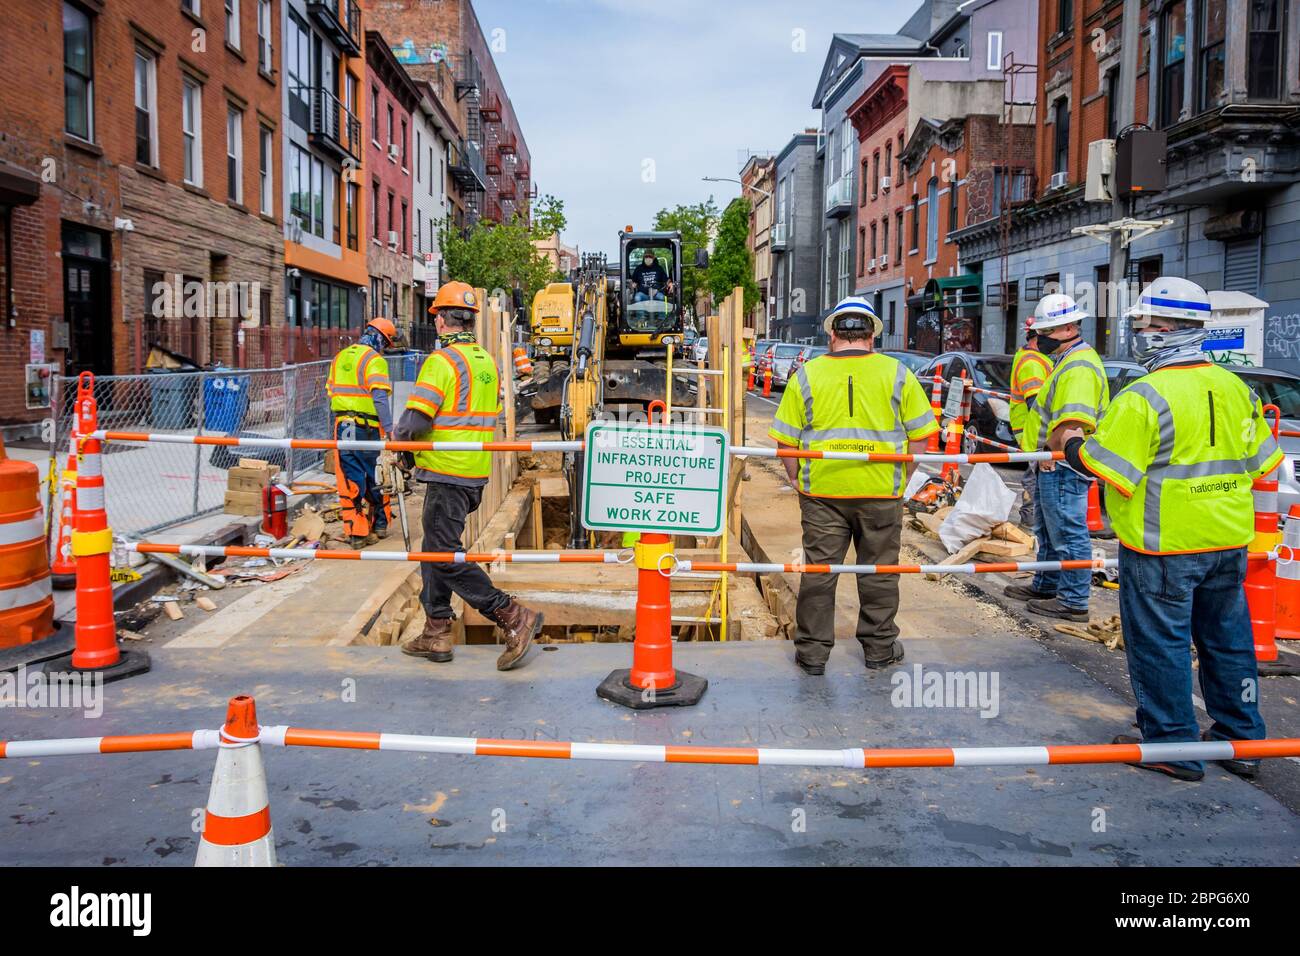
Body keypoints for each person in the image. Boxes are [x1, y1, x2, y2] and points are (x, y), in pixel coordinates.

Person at [1058, 277, 1282, 782]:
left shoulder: (1144, 395)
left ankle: (1172, 743)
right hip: (1226, 542)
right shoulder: (1235, 388)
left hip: (1162, 546)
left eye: (1142, 325)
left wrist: (1073, 443)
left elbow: (1105, 466)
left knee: (1161, 643)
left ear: (1161, 330)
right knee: (1228, 642)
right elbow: (1260, 461)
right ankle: (1242, 740)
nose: (1139, 333)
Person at [769, 296, 940, 674]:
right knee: (879, 571)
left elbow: (786, 442)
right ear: (872, 336)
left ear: (832, 333)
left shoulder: (807, 375)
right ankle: (879, 649)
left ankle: (812, 655)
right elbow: (922, 435)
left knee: (819, 572)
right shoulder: (897, 373)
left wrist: (797, 477)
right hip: (881, 492)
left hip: (823, 495)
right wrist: (903, 474)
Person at [395, 281, 543, 671]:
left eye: (437, 316)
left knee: (442, 554)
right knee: (436, 548)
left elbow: (415, 421)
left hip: (447, 471)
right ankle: (437, 629)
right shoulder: (486, 363)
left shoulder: (442, 362)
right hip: (473, 473)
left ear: (442, 319)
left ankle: (511, 614)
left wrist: (400, 450)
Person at [1004, 293, 1108, 622]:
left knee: (1067, 530)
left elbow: (1072, 420)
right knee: (1048, 529)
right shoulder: (1068, 360)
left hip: (1062, 463)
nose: (1040, 338)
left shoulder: (1078, 365)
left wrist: (1052, 450)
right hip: (1052, 459)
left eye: (1046, 332)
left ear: (1066, 328)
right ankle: (1047, 583)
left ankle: (1073, 599)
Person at [326, 318, 396, 547]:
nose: (385, 349)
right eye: (386, 344)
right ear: (381, 339)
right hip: (367, 428)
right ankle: (380, 524)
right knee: (376, 475)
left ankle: (357, 533)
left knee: (350, 478)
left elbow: (331, 393)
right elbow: (379, 397)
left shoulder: (340, 357)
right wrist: (390, 430)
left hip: (343, 426)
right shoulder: (374, 360)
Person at [1008, 316, 1053, 529]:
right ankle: (1030, 517)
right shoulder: (1031, 362)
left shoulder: (1035, 358)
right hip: (1032, 427)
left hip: (1031, 427)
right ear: (1038, 336)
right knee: (1035, 472)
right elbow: (1036, 403)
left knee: (1036, 471)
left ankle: (1033, 516)